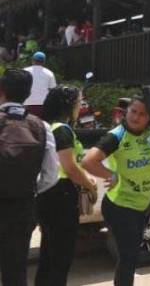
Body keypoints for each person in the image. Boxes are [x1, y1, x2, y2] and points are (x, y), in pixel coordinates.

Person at [82, 96, 150, 286]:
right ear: (126, 112)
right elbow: (88, 161)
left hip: (141, 204)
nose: (136, 117)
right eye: (133, 111)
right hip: (120, 205)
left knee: (129, 257)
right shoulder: (117, 135)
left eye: (142, 114)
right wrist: (111, 174)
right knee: (130, 256)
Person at [0, 69, 59, 286]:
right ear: (28, 93)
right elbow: (51, 175)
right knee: (15, 272)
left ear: (1, 91)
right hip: (22, 208)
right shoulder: (41, 126)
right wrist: (29, 188)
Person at [36, 86, 98, 286]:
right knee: (60, 257)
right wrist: (89, 184)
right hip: (61, 195)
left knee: (48, 254)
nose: (81, 105)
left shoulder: (48, 126)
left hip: (48, 193)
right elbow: (69, 167)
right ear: (69, 104)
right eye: (79, 101)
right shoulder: (62, 130)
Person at [23, 52, 56, 117]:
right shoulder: (49, 73)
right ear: (44, 62)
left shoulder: (25, 71)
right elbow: (53, 90)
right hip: (43, 105)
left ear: (32, 60)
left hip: (27, 104)